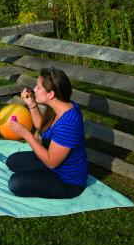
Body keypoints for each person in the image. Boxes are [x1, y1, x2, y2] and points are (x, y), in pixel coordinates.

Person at [6, 67, 88, 198]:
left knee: (15, 183)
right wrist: (32, 104)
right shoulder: (61, 106)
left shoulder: (68, 124)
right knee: (12, 161)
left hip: (67, 181)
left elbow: (51, 162)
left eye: (39, 87)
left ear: (51, 94)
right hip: (53, 163)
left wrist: (26, 134)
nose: (34, 89)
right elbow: (42, 126)